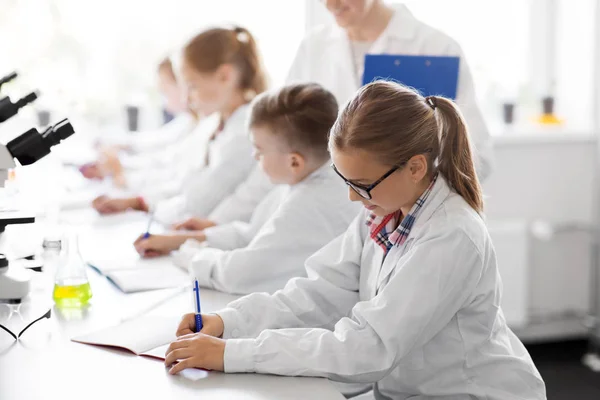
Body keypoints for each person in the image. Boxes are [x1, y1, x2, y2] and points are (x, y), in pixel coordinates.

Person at [164, 81, 545, 400]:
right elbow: (317, 294)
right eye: (345, 181)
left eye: (361, 186)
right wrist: (228, 322)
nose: (351, 198)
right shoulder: (385, 210)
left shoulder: (451, 237)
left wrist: (232, 354)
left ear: (415, 167)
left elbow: (367, 347)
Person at [185, 0, 494, 233]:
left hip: (412, 229)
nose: (330, 4)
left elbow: (473, 154)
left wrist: (407, 194)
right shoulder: (314, 48)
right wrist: (220, 221)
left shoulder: (435, 48)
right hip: (325, 227)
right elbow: (277, 149)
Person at [133, 84, 360, 294]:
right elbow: (254, 234)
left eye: (260, 151)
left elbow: (238, 275)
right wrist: (183, 239)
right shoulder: (304, 180)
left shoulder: (312, 203)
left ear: (294, 162)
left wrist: (188, 254)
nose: (255, 156)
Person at [92, 26, 267, 223]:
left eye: (192, 86)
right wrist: (138, 202)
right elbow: (185, 186)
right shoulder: (215, 124)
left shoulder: (246, 132)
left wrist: (141, 204)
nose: (186, 98)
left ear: (225, 76)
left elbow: (199, 204)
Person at [80, 57, 196, 186]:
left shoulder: (196, 129)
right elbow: (155, 141)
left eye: (165, 92)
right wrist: (116, 149)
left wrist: (120, 170)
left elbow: (167, 169)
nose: (164, 102)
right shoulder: (186, 122)